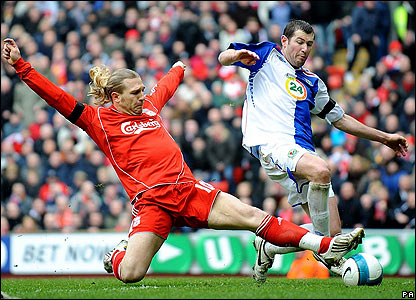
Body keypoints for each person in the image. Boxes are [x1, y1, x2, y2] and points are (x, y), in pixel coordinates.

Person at [2, 37, 365, 284]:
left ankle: (323, 245)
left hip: (189, 190)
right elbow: (56, 97)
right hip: (152, 204)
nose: (143, 95)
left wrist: (178, 67)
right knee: (130, 275)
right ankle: (117, 254)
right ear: (114, 96)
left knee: (254, 216)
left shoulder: (148, 106)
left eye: (143, 89)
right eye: (134, 92)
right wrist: (21, 66)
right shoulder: (97, 120)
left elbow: (164, 88)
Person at [218, 19, 408, 282]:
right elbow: (223, 57)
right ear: (284, 41)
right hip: (272, 145)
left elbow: (340, 119)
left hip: (302, 151)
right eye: (299, 42)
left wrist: (384, 137)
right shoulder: (266, 56)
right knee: (321, 170)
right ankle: (328, 254)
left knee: (332, 233)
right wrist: (234, 56)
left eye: (309, 44)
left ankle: (269, 246)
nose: (305, 49)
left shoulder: (313, 82)